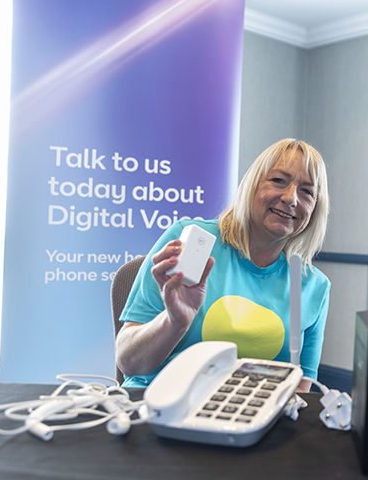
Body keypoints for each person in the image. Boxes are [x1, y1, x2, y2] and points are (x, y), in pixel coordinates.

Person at [116, 138, 330, 392]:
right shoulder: (194, 243)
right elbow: (128, 362)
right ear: (252, 185)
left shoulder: (312, 285)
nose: (291, 198)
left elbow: (301, 387)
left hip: (247, 417)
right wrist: (174, 322)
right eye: (278, 180)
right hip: (162, 405)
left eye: (306, 191)